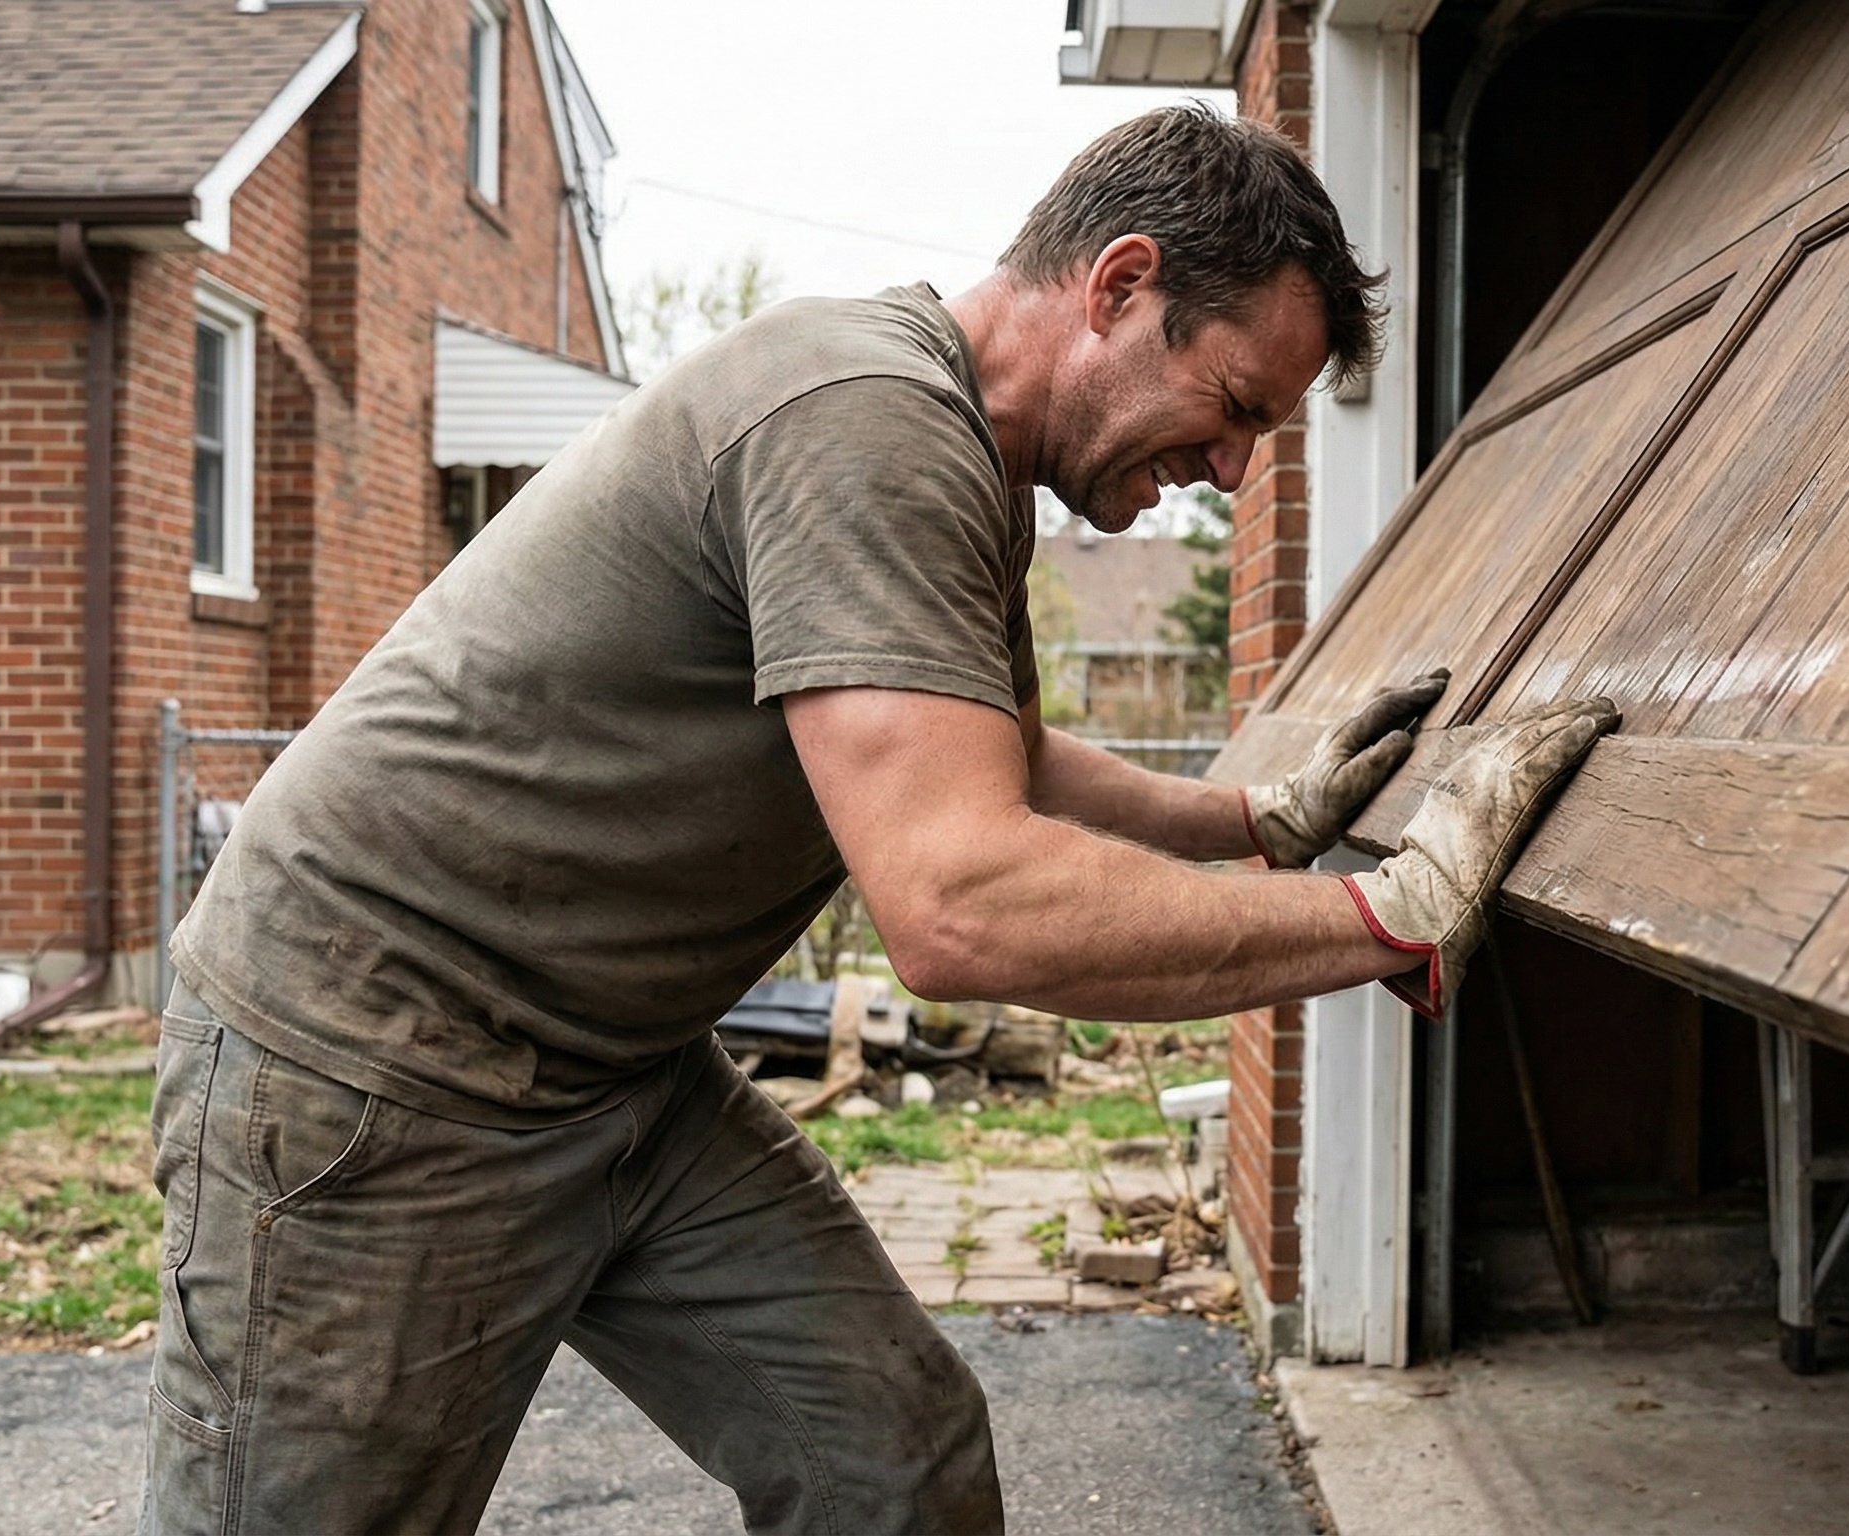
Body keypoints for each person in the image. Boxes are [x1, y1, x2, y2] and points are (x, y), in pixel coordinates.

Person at [146, 104, 1614, 1535]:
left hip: (606, 1073)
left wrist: (1260, 818)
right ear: (1120, 285)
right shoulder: (864, 420)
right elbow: (959, 899)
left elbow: (1000, 759)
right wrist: (1381, 917)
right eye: (1235, 407)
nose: (1233, 474)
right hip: (368, 1069)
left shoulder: (967, 471)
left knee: (892, 1469)